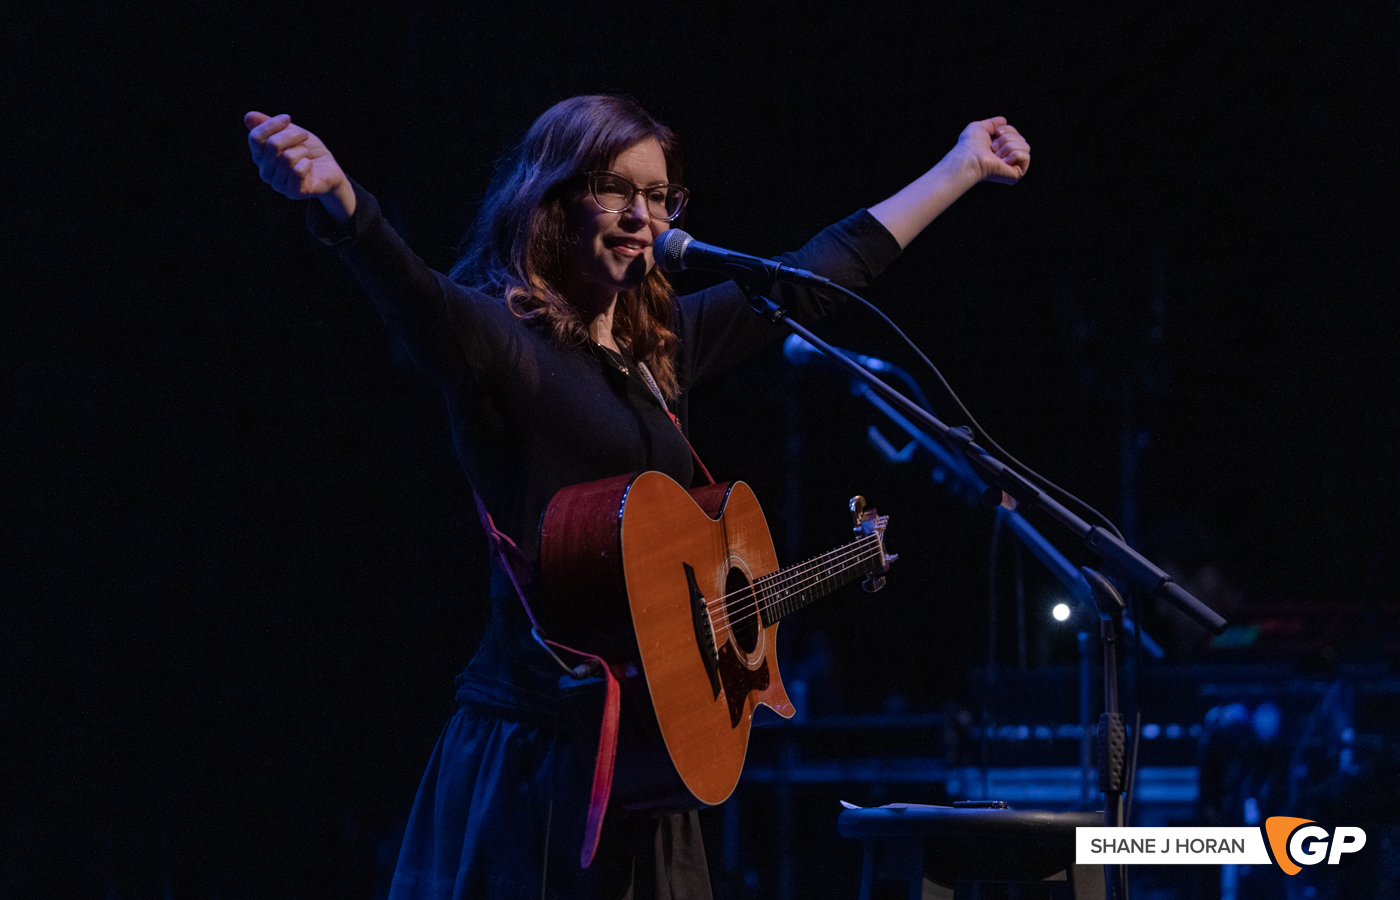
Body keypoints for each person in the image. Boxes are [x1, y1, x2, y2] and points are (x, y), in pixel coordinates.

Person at [244, 95, 1029, 900]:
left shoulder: (663, 351)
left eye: (660, 197)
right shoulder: (502, 343)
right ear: (553, 197)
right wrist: (345, 207)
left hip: (651, 756)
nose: (642, 215)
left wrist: (960, 167)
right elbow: (410, 293)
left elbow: (813, 278)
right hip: (539, 761)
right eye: (616, 190)